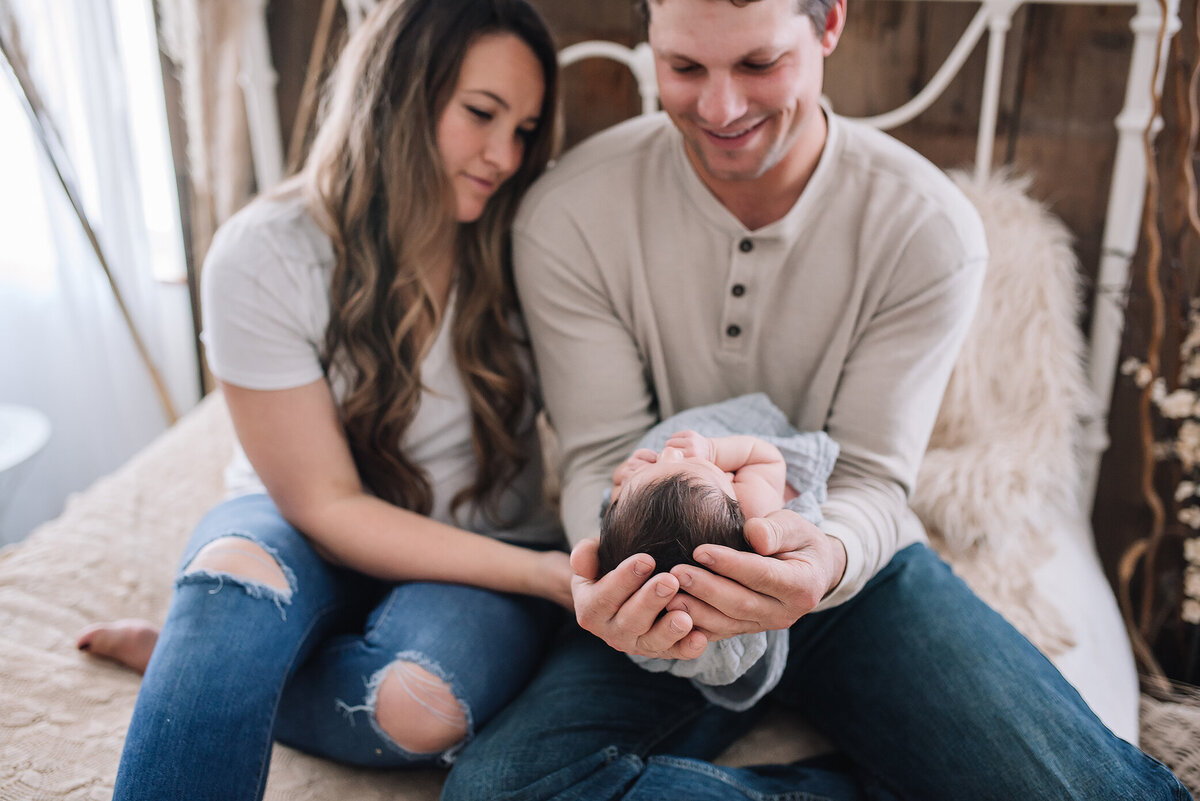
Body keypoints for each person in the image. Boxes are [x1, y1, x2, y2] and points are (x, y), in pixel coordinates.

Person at [441, 0, 1194, 798]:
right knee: (501, 790)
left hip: (857, 577)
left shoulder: (927, 228)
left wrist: (822, 560)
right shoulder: (569, 215)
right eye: (685, 68)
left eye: (759, 64)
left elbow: (871, 475)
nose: (720, 109)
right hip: (659, 578)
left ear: (828, 22)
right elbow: (600, 455)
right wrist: (617, 577)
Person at [74, 1, 569, 798]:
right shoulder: (264, 252)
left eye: (524, 129)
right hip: (308, 517)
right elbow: (326, 503)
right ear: (398, 95)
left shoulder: (530, 239)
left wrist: (539, 569)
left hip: (477, 546)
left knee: (417, 708)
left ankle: (201, 670)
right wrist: (550, 576)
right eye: (482, 114)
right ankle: (212, 661)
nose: (505, 155)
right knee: (232, 571)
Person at [597, 392, 837, 712]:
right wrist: (714, 450)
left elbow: (613, 501)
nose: (668, 452)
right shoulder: (753, 508)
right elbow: (767, 457)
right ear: (731, 487)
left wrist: (625, 478)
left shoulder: (636, 516)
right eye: (694, 465)